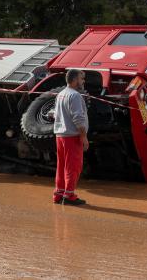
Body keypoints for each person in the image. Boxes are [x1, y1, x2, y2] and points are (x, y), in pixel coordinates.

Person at [52, 69, 89, 205]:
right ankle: (69, 196)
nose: (83, 81)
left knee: (61, 166)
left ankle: (59, 194)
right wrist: (84, 137)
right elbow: (78, 118)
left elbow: (54, 114)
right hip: (72, 136)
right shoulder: (75, 96)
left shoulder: (60, 94)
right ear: (74, 80)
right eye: (81, 78)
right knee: (73, 167)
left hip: (60, 136)